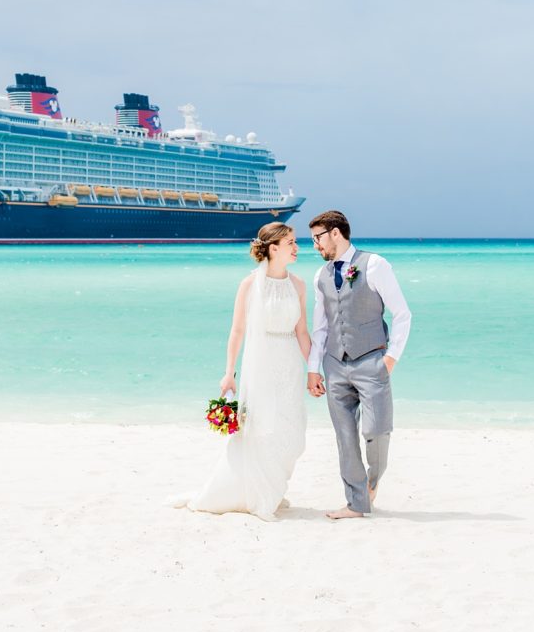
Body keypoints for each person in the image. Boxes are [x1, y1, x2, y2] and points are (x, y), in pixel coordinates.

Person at [171, 223, 311, 521]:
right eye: (290, 242)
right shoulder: (249, 285)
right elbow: (237, 331)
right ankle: (258, 494)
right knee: (259, 429)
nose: (297, 247)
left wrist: (314, 369)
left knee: (291, 431)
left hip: (289, 363)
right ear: (273, 248)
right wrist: (228, 372)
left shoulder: (298, 285)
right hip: (259, 364)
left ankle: (272, 486)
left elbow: (301, 331)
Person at [307, 210, 412, 519]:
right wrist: (314, 368)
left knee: (377, 429)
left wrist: (391, 357)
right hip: (334, 365)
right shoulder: (320, 275)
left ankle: (372, 482)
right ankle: (355, 503)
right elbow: (321, 327)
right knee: (344, 435)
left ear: (336, 233)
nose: (315, 245)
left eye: (318, 237)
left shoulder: (375, 265)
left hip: (372, 360)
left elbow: (402, 314)